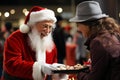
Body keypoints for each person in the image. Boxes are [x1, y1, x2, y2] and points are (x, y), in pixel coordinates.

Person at [1, 6, 68, 80]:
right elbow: (12, 64)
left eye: (50, 27)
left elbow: (51, 66)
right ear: (33, 25)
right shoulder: (15, 38)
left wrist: (58, 73)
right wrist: (41, 68)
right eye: (45, 26)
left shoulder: (50, 45)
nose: (48, 31)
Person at [69, 1, 120, 80]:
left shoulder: (98, 42)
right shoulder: (109, 35)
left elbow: (94, 78)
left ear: (87, 25)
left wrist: (77, 73)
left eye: (78, 25)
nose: (78, 29)